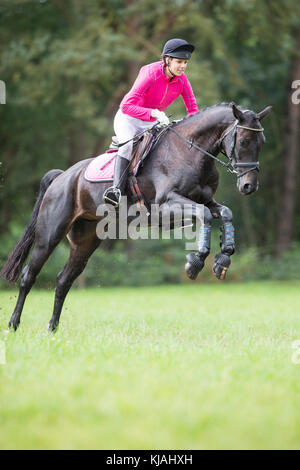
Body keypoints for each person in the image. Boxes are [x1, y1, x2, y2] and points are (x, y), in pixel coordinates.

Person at [103, 38, 199, 207]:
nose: (182, 67)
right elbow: (126, 106)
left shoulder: (182, 79)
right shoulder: (150, 73)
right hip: (128, 119)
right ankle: (115, 190)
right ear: (167, 60)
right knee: (126, 146)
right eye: (179, 62)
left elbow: (193, 109)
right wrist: (153, 112)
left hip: (152, 123)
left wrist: (188, 126)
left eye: (185, 62)